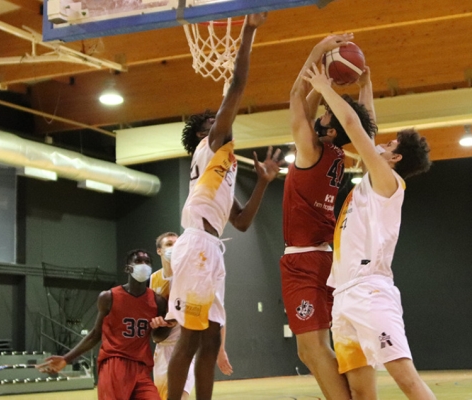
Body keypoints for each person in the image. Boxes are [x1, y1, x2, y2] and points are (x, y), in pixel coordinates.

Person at [166, 12, 281, 400]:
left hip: (211, 249)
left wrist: (263, 184)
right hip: (197, 245)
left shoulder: (221, 171)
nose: (224, 123)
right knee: (193, 337)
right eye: (216, 122)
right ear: (206, 133)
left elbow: (244, 223)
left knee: (211, 338)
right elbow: (237, 86)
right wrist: (247, 31)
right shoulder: (212, 145)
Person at [303, 63, 435, 400]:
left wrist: (325, 88)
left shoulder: (388, 182)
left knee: (407, 380)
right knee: (361, 393)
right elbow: (368, 125)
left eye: (389, 144)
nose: (381, 144)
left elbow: (354, 125)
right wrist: (366, 84)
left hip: (371, 293)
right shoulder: (375, 179)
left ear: (395, 158)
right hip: (344, 295)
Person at [283, 34, 377, 399]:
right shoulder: (338, 153)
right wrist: (361, 87)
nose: (318, 113)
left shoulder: (311, 151)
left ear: (330, 129)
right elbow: (364, 127)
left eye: (325, 115)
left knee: (310, 349)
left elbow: (295, 100)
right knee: (323, 345)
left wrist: (318, 51)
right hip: (329, 259)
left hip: (303, 259)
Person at [37, 250, 172, 400]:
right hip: (115, 362)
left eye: (147, 262)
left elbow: (158, 337)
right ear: (128, 268)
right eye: (139, 261)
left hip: (141, 366)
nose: (144, 265)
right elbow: (95, 334)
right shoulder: (109, 296)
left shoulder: (157, 301)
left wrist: (167, 325)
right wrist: (67, 358)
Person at [150, 233, 232, 400]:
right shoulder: (154, 279)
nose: (174, 247)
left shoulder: (193, 276)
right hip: (161, 347)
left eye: (177, 243)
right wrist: (155, 322)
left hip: (185, 347)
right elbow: (151, 315)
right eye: (169, 244)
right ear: (159, 251)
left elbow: (217, 314)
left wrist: (220, 350)